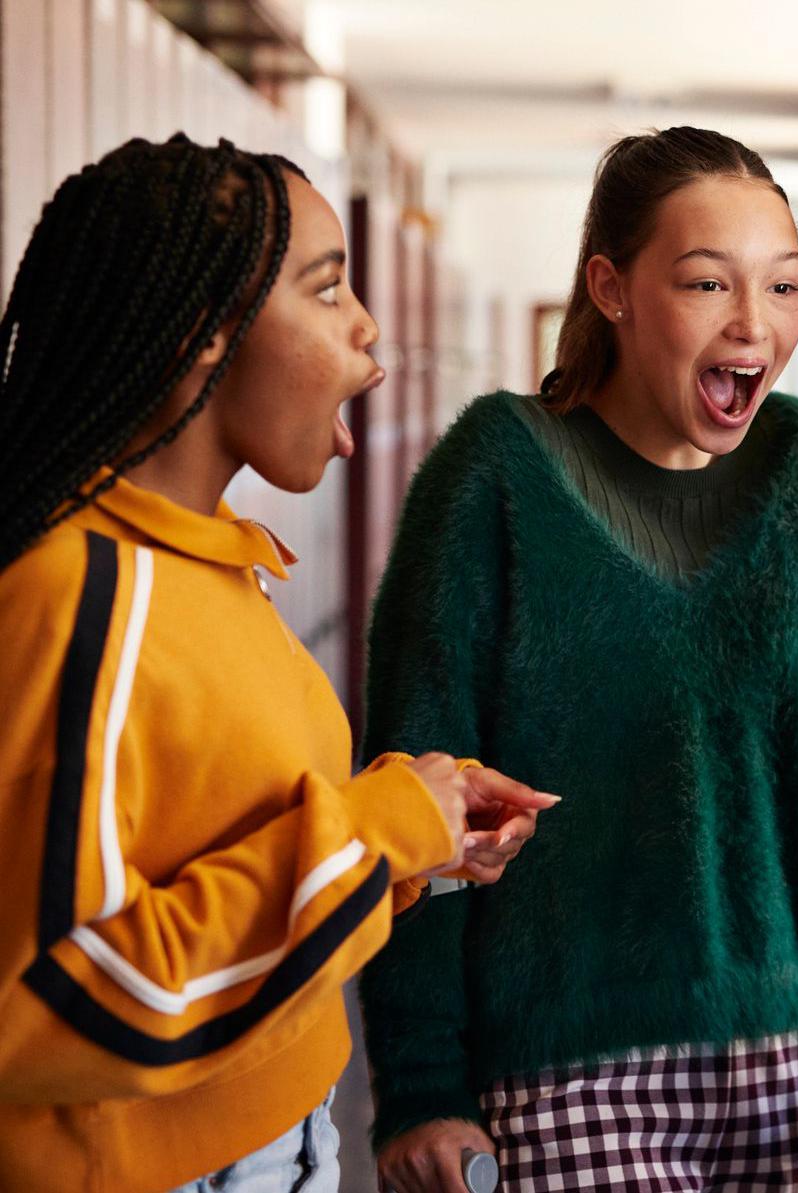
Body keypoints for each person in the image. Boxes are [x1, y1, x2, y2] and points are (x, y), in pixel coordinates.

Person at [0, 134, 550, 1193]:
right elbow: (60, 993)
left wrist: (401, 857)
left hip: (275, 1137)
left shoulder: (205, 564)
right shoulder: (77, 591)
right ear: (205, 333)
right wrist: (377, 829)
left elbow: (211, 856)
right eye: (327, 285)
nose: (367, 325)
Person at [357, 127, 798, 1192]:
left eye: (783, 286)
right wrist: (419, 1083)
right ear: (612, 286)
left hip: (786, 1058)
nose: (756, 324)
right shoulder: (494, 472)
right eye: (706, 282)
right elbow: (411, 793)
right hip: (562, 1071)